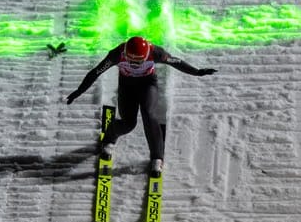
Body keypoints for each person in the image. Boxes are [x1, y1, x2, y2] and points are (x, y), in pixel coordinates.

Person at [66, 36, 216, 177]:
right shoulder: (116, 54)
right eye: (132, 61)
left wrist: (197, 72)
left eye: (138, 62)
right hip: (127, 86)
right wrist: (79, 91)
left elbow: (176, 62)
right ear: (125, 54)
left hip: (147, 84)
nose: (135, 64)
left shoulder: (156, 53)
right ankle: (109, 139)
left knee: (149, 115)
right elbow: (96, 72)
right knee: (128, 123)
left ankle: (157, 157)